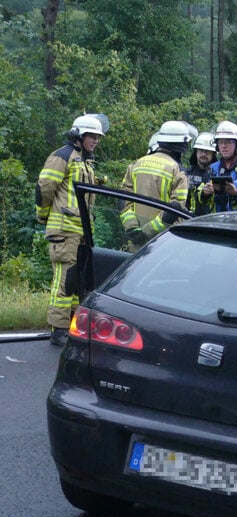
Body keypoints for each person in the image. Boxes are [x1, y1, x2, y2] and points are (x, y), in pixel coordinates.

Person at [35, 114, 106, 346]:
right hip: (64, 230)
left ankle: (73, 324)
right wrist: (43, 214)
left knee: (76, 282)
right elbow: (45, 186)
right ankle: (58, 328)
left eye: (97, 137)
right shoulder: (62, 156)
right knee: (64, 281)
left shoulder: (82, 160)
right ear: (79, 135)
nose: (95, 141)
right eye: (92, 136)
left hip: (80, 232)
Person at [119, 120, 192, 252]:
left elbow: (123, 201)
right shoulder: (178, 171)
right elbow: (175, 210)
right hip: (160, 246)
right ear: (182, 145)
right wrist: (146, 232)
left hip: (134, 246)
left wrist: (133, 229)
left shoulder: (137, 164)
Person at [185, 132, 217, 216]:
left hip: (210, 221)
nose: (203, 154)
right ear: (195, 152)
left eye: (207, 152)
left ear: (213, 154)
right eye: (200, 150)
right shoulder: (186, 173)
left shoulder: (217, 175)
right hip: (187, 219)